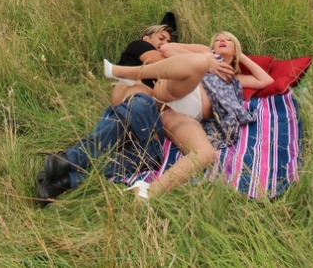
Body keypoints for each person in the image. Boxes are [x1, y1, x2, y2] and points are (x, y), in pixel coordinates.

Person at [104, 31, 274, 199]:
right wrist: (209, 60)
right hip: (174, 90)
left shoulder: (235, 79)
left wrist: (241, 56)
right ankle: (126, 72)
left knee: (205, 154)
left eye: (229, 39)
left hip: (174, 113)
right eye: (218, 39)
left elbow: (266, 81)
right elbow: (168, 49)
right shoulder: (205, 53)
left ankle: (148, 192)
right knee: (200, 62)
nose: (222, 40)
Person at [35, 21, 176, 207]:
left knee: (138, 157)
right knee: (149, 152)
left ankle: (61, 179)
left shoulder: (158, 69)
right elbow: (164, 64)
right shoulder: (140, 47)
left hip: (123, 120)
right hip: (137, 103)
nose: (165, 43)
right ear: (146, 38)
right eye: (161, 38)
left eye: (169, 40)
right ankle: (69, 163)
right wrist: (175, 49)